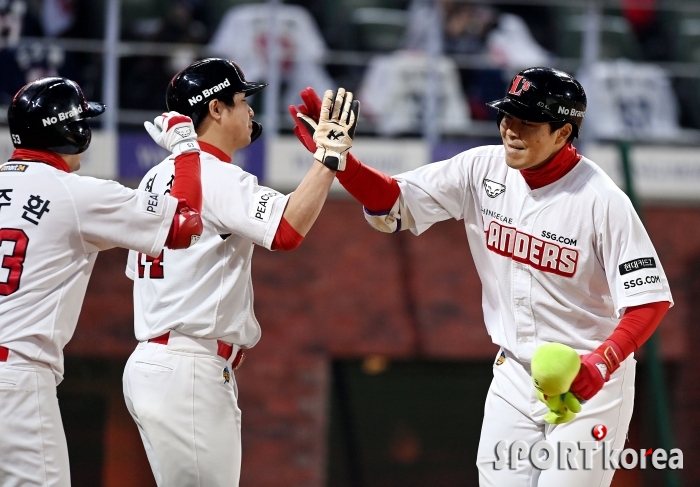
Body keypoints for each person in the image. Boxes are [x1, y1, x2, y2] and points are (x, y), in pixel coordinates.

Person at [289, 67, 672, 487]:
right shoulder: (481, 168)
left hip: (589, 382)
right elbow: (395, 201)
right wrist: (341, 163)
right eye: (507, 115)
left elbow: (648, 300)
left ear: (563, 133)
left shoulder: (602, 200)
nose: (510, 128)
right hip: (513, 371)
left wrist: (603, 362)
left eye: (528, 121)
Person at [122, 57, 358, 487]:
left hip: (160, 361)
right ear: (215, 109)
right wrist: (328, 159)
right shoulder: (213, 174)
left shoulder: (155, 175)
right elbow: (287, 230)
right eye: (242, 100)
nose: (251, 110)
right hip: (187, 366)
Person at [0, 76, 204, 487]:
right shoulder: (76, 193)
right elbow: (186, 225)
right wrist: (186, 150)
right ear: (72, 131)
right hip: (15, 377)